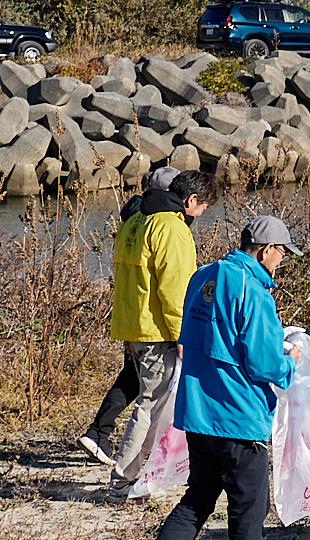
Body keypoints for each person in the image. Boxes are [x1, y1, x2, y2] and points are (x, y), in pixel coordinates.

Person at [121, 215, 307, 540]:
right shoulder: (254, 291)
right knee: (248, 511)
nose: (281, 263)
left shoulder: (203, 277)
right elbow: (262, 363)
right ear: (266, 250)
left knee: (197, 501)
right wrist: (289, 361)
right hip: (238, 416)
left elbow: (199, 339)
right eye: (281, 254)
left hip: (198, 413)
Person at [77, 168, 215, 487]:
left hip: (133, 326)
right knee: (150, 406)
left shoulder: (134, 221)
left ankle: (145, 470)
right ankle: (123, 479)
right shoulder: (171, 227)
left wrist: (126, 332)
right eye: (204, 206)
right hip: (158, 331)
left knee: (149, 401)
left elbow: (125, 280)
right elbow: (175, 288)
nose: (202, 213)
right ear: (191, 199)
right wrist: (184, 335)